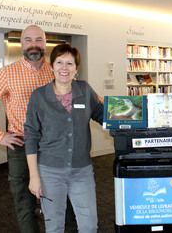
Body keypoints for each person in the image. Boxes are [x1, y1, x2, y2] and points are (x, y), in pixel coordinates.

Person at [0, 25, 76, 233]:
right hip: (21, 146)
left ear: (45, 43)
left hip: (53, 145)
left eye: (38, 40)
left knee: (63, 195)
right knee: (24, 199)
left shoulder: (56, 69)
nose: (33, 45)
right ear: (22, 44)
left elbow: (82, 97)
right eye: (28, 40)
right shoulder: (7, 73)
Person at [25, 43, 104, 232]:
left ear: (76, 68)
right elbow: (31, 136)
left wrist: (132, 116)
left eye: (70, 63)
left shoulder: (84, 90)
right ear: (51, 65)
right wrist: (34, 176)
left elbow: (102, 114)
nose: (64, 68)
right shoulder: (39, 96)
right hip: (49, 172)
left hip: (81, 171)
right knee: (54, 224)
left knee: (89, 224)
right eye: (59, 62)